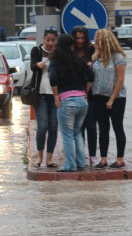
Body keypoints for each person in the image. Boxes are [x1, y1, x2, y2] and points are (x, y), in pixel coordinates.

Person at [50, 33, 94, 172]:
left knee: (67, 134)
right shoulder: (79, 60)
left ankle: (70, 165)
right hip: (82, 101)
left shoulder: (55, 60)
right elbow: (91, 75)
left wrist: (56, 96)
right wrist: (86, 92)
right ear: (71, 46)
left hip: (67, 101)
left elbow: (53, 78)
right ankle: (81, 162)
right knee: (76, 132)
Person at [90, 29, 127, 169]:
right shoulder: (96, 57)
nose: (96, 43)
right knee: (103, 129)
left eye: (99, 41)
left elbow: (120, 80)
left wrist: (111, 99)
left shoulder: (118, 57)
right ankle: (103, 159)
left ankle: (120, 159)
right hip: (98, 97)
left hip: (117, 98)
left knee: (118, 127)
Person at [30, 29, 59, 168]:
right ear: (43, 39)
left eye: (53, 40)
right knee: (43, 126)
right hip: (39, 94)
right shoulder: (36, 50)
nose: (50, 43)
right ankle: (39, 157)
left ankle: (49, 158)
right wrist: (37, 65)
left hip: (55, 95)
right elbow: (31, 65)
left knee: (53, 126)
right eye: (48, 40)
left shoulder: (59, 53)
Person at [72, 26, 97, 166]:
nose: (80, 41)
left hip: (91, 94)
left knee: (91, 126)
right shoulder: (70, 51)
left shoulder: (92, 50)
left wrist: (92, 62)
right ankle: (80, 156)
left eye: (82, 38)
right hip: (74, 92)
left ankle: (93, 155)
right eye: (77, 38)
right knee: (77, 128)